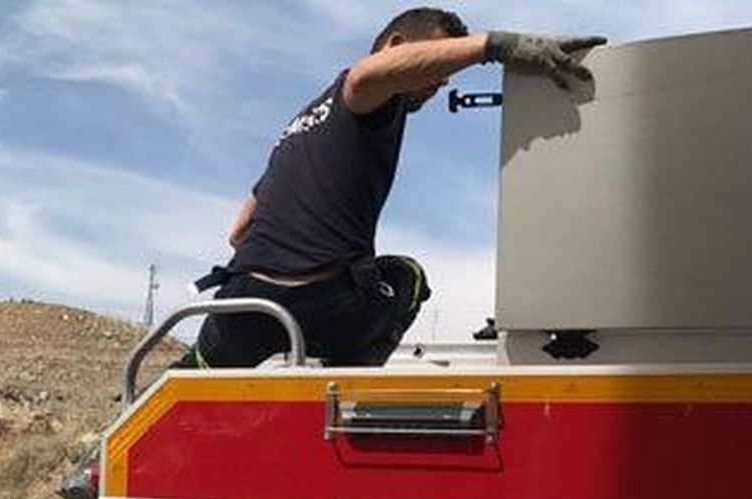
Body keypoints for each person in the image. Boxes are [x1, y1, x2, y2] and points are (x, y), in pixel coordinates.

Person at [178, 9, 605, 370]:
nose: (436, 86)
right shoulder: (363, 95)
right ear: (396, 46)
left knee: (191, 376)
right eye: (434, 71)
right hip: (316, 303)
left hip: (239, 305)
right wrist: (494, 47)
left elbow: (239, 231)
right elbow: (364, 76)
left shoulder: (299, 130)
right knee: (407, 276)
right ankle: (345, 382)